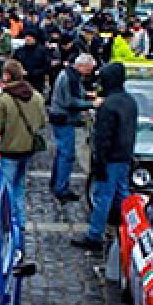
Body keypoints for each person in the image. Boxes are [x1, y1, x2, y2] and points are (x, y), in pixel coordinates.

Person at [73, 63, 136, 252]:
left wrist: (99, 162)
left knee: (103, 197)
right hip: (124, 155)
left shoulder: (108, 105)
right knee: (122, 195)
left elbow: (103, 139)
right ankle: (131, 230)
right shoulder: (130, 102)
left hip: (110, 158)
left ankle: (95, 235)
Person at [0, 60, 46, 233]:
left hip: (9, 149)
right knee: (20, 186)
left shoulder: (3, 100)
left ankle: (9, 221)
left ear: (7, 75)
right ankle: (21, 221)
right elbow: (42, 122)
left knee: (7, 187)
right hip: (28, 148)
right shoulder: (36, 97)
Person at [50, 53, 97, 202]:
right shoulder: (69, 78)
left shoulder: (69, 75)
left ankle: (57, 183)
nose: (89, 73)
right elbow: (70, 102)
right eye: (89, 69)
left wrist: (87, 95)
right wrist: (91, 104)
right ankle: (61, 188)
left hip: (60, 118)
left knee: (62, 154)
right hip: (64, 119)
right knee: (66, 155)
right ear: (81, 66)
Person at [12, 30, 53, 94]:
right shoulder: (19, 51)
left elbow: (47, 67)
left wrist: (30, 73)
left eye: (30, 37)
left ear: (35, 39)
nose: (28, 38)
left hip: (36, 82)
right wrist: (18, 71)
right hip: (21, 81)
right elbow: (13, 63)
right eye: (26, 36)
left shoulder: (42, 51)